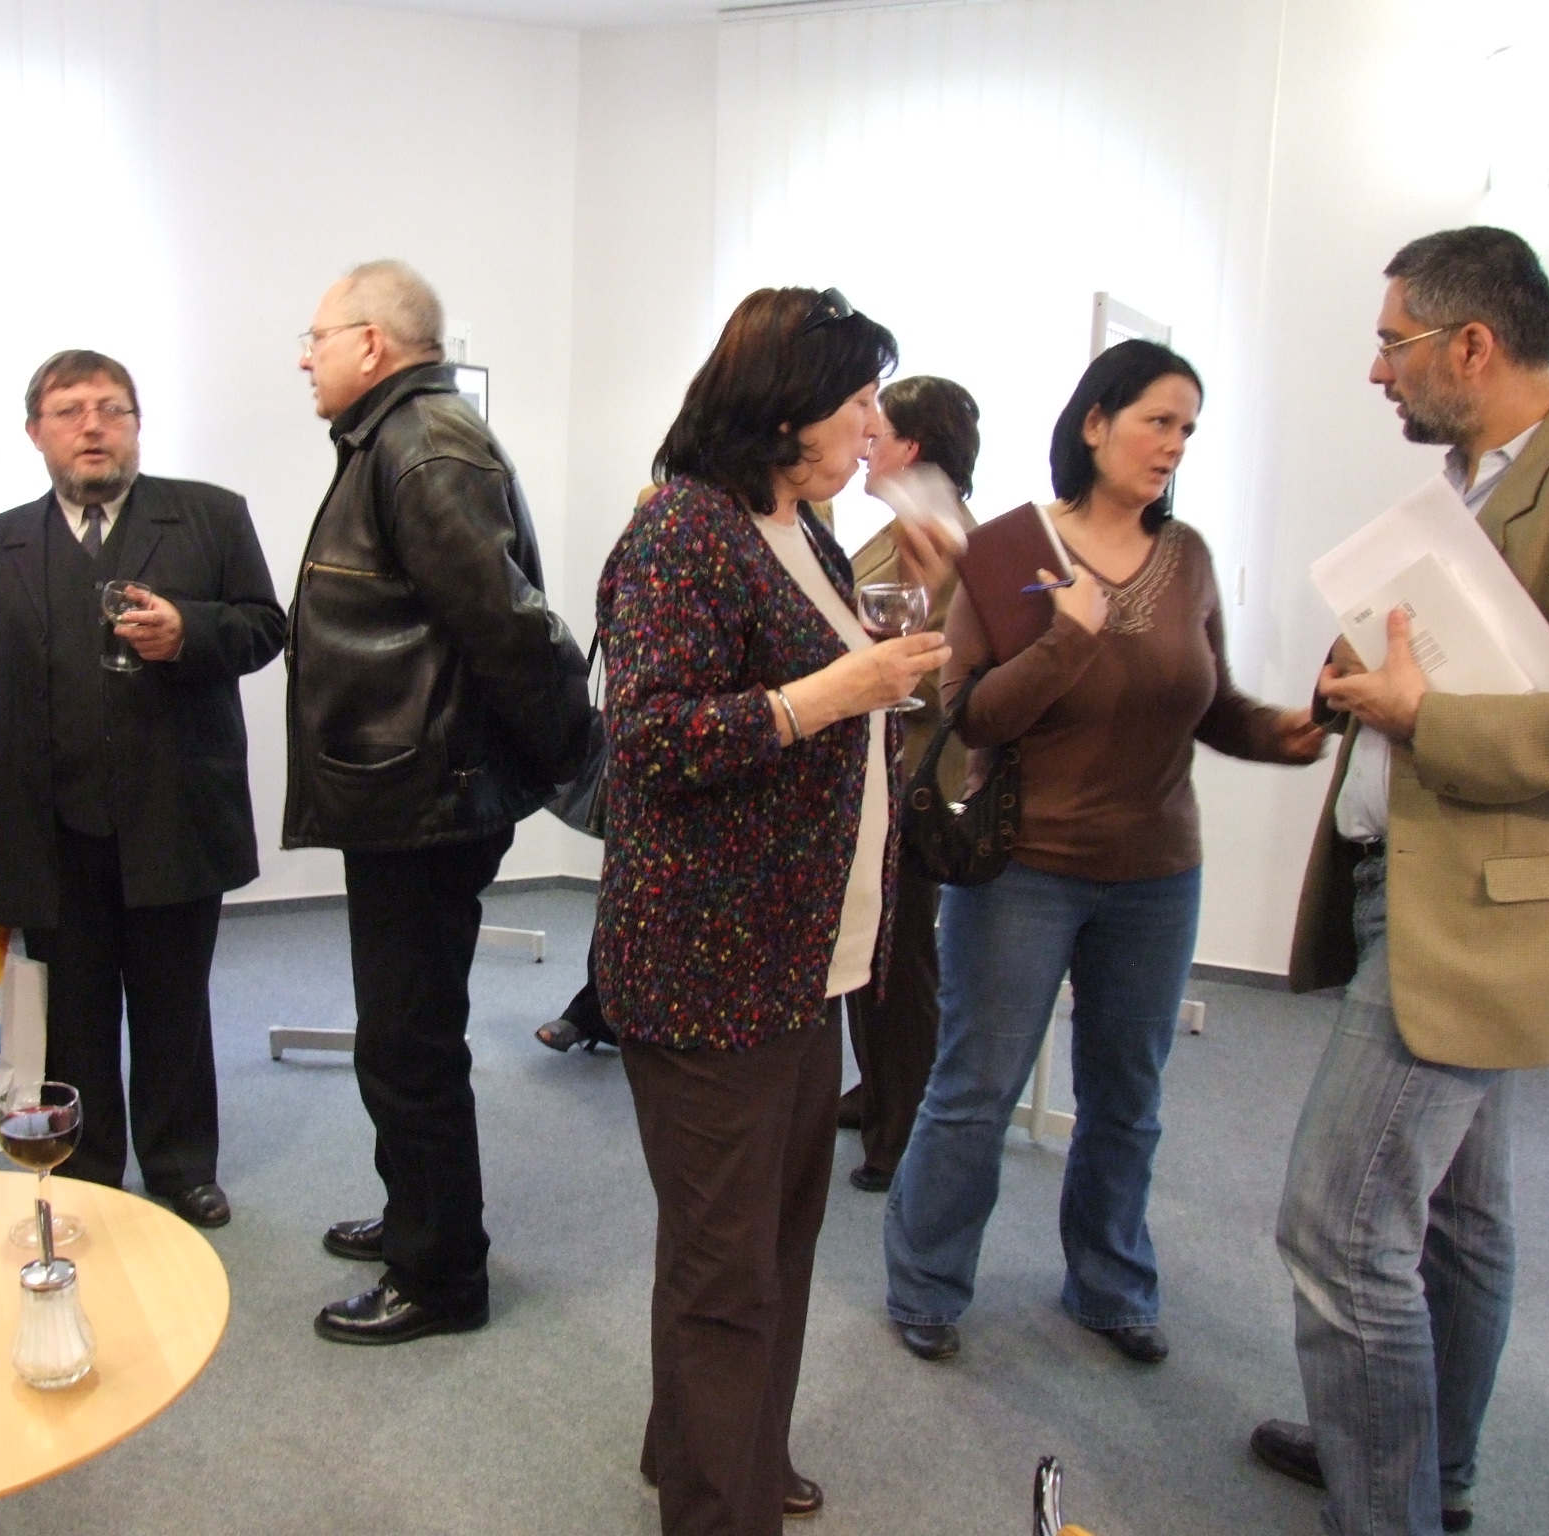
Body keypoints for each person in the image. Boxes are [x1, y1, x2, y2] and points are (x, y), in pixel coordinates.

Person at [882, 340, 1324, 1368]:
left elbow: (1208, 702)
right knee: (976, 1087)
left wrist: (1285, 734)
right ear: (1095, 423)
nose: (1173, 445)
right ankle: (926, 1282)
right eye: (1157, 421)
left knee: (1127, 1100)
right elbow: (973, 714)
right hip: (1023, 869)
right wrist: (1067, 638)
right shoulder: (1009, 549)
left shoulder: (1189, 558)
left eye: (1187, 429)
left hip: (1158, 875)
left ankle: (1110, 1283)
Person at [1250, 227, 1549, 1536]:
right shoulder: (1472, 480)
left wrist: (1422, 715)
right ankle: (1417, 1464)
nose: (1375, 369)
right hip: (1423, 885)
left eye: (1392, 343)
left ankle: (1382, 1505)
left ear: (1473, 345)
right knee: (1456, 1220)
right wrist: (1358, 694)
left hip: (1474, 916)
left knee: (1338, 1229)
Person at [599, 286, 947, 1534]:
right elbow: (648, 738)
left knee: (765, 1245)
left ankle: (709, 1447)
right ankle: (717, 1501)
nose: (872, 427)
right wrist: (837, 691)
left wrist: (886, 663)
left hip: (800, 956)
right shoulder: (682, 529)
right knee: (728, 1269)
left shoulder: (799, 529)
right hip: (711, 963)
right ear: (784, 407)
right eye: (855, 400)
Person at [289, 259, 592, 1344]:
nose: (305, 358)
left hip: (423, 798)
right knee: (400, 1036)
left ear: (372, 343)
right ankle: (417, 1216)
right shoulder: (401, 436)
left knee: (409, 1044)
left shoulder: (420, 445)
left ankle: (440, 1276)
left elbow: (509, 628)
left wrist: (568, 758)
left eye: (317, 337)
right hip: (405, 793)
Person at [0, 350, 284, 1228]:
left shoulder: (209, 516)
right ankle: (90, 1165)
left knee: (175, 1006)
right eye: (69, 411)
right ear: (36, 433)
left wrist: (190, 631)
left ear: (137, 425)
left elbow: (263, 628)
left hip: (176, 814)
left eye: (111, 409)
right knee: (75, 1013)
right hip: (49, 826)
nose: (92, 426)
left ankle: (180, 1165)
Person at [834, 375, 982, 1192]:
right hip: (878, 772)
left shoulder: (947, 541)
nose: (866, 442)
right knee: (877, 949)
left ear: (913, 447)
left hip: (915, 779)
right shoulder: (898, 535)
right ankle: (880, 1092)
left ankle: (900, 1132)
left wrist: (865, 671)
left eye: (878, 429)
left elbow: (946, 672)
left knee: (898, 963)